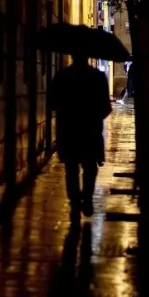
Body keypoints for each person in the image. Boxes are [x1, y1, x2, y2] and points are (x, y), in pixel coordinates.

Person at [50, 50, 112, 219]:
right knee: (90, 167)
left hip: (68, 131)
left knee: (71, 168)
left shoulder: (61, 76)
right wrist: (93, 116)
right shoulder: (98, 77)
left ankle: (75, 203)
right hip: (90, 131)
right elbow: (106, 108)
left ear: (72, 56)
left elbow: (52, 103)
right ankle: (87, 198)